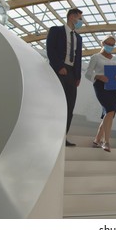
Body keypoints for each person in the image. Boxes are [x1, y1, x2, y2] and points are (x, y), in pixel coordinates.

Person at [46, 8, 83, 146]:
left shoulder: (78, 38)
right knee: (57, 103)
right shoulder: (56, 30)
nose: (81, 22)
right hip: (59, 70)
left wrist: (78, 75)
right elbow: (50, 49)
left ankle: (62, 136)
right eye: (79, 18)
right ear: (71, 17)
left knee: (70, 105)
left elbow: (78, 57)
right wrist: (59, 66)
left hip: (72, 74)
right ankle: (50, 134)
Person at [85, 35, 116, 152]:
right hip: (100, 86)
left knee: (110, 114)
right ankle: (106, 142)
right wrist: (98, 76)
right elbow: (88, 73)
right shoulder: (95, 57)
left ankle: (96, 140)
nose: (110, 46)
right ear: (103, 43)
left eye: (112, 45)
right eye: (108, 44)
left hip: (113, 87)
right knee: (110, 110)